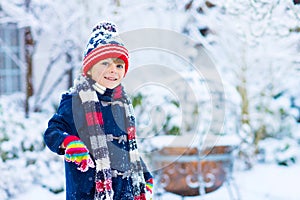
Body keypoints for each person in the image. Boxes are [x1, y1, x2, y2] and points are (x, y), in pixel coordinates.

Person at [44, 21, 153, 200]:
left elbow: (127, 149)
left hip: (124, 193)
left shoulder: (122, 104)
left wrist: (144, 175)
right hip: (88, 192)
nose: (113, 70)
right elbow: (52, 132)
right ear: (89, 68)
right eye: (105, 64)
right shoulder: (76, 101)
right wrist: (69, 143)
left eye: (119, 65)